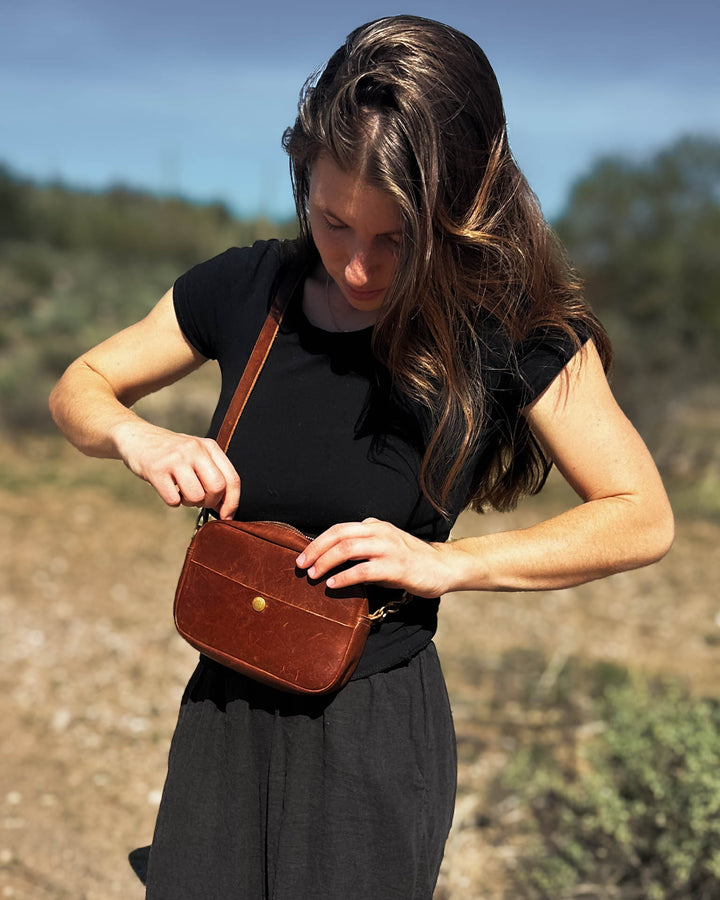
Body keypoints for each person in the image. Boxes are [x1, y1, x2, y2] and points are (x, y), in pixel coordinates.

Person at [49, 15, 674, 900]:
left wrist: (447, 563)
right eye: (335, 222)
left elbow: (642, 514)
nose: (355, 268)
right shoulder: (251, 286)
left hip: (369, 730)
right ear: (305, 173)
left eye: (395, 238)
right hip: (222, 703)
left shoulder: (512, 328)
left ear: (460, 206)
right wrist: (135, 435)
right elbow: (82, 385)